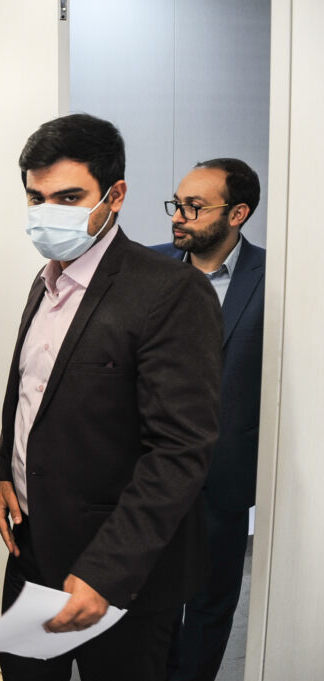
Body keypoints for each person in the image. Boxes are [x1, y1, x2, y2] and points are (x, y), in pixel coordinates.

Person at [0, 113, 223, 681]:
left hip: (122, 573)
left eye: (69, 197)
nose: (48, 213)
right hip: (32, 552)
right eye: (37, 198)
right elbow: (32, 394)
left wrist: (107, 570)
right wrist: (2, 472)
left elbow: (179, 450)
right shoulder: (44, 282)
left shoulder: (171, 292)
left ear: (114, 196)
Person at [154, 158, 265, 681]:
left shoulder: (275, 278)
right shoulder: (147, 267)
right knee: (148, 605)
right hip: (148, 476)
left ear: (237, 213)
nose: (179, 216)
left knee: (209, 609)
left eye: (194, 207)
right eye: (178, 203)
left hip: (223, 480)